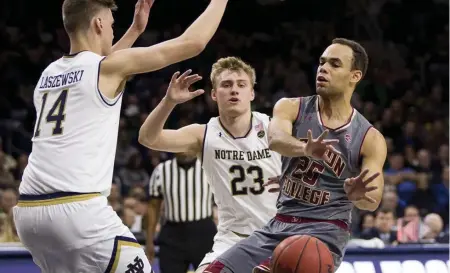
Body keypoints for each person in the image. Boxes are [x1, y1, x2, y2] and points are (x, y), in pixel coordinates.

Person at [13, 0, 229, 272]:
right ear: (99, 24)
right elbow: (193, 42)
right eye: (113, 26)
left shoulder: (49, 74)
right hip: (77, 210)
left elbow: (99, 67)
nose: (114, 33)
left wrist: (134, 31)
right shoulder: (106, 68)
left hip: (29, 213)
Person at [203, 38, 387, 273]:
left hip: (326, 230)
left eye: (335, 64)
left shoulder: (370, 138)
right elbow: (276, 139)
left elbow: (373, 199)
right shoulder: (291, 107)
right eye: (322, 62)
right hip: (280, 222)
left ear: (355, 76)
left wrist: (359, 196)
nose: (323, 68)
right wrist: (305, 149)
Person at [138, 57, 282, 272]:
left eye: (241, 85)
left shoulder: (274, 128)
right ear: (214, 94)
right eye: (226, 85)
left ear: (252, 93)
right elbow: (148, 138)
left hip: (280, 235)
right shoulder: (203, 134)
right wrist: (169, 102)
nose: (234, 90)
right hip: (234, 239)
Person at [147, 152, 216, 273]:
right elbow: (153, 207)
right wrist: (149, 240)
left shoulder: (210, 167)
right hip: (172, 235)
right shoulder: (161, 170)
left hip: (204, 232)